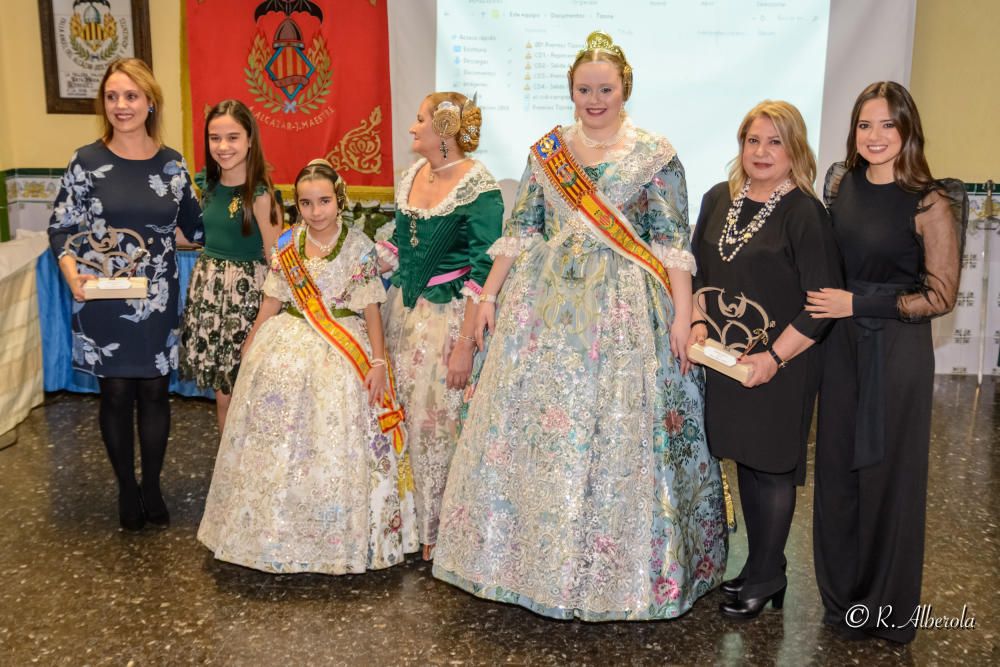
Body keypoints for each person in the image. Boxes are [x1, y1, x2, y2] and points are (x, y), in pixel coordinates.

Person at [431, 31, 727, 621]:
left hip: (624, 312)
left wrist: (684, 312)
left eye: (606, 89)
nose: (595, 99)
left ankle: (618, 570)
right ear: (570, 90)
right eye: (584, 89)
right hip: (544, 309)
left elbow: (672, 244)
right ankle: (519, 561)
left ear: (625, 90)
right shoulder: (549, 152)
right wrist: (488, 297)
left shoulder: (655, 153)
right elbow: (522, 229)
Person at [197, 159, 418, 574]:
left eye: (324, 201)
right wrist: (250, 343)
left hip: (343, 345)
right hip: (288, 340)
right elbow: (272, 301)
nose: (316, 211)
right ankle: (269, 533)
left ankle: (339, 536)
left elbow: (371, 307)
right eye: (306, 203)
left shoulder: (357, 246)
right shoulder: (287, 245)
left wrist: (377, 360)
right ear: (297, 205)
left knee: (336, 436)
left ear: (339, 200)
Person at [807, 81, 965, 643]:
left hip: (896, 352)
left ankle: (888, 612)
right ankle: (844, 602)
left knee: (888, 478)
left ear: (907, 131)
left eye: (887, 126)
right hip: (841, 350)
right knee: (838, 475)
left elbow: (941, 295)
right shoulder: (839, 183)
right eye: (865, 125)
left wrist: (860, 303)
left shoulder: (930, 200)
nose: (874, 136)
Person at [689, 100, 842, 619]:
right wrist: (694, 325)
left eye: (774, 141)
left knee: (773, 467)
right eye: (753, 140)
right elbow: (694, 272)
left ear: (795, 148)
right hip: (726, 361)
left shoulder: (804, 212)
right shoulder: (717, 199)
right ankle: (758, 568)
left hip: (785, 362)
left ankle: (769, 572)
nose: (761, 151)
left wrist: (773, 358)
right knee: (745, 461)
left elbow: (822, 305)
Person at [47, 58, 204, 531]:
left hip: (155, 296)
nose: (121, 105)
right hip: (101, 296)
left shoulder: (173, 164)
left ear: (150, 101)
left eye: (131, 96)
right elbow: (61, 227)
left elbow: (193, 229)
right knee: (114, 392)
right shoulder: (86, 161)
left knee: (155, 391)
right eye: (113, 97)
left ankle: (151, 484)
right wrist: (74, 277)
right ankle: (125, 488)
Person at [377, 91, 503, 561]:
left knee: (440, 427)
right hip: (403, 318)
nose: (413, 128)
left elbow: (482, 272)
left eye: (420, 119)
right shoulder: (414, 175)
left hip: (450, 321)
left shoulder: (480, 187)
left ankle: (439, 532)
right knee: (405, 420)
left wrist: (466, 345)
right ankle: (407, 523)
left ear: (445, 128)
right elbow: (401, 247)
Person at [180, 99, 281, 432]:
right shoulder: (206, 187)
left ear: (250, 139)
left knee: (247, 397)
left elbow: (279, 270)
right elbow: (196, 235)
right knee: (223, 397)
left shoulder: (262, 195)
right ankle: (228, 477)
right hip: (212, 304)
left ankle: (251, 474)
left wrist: (258, 331)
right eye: (214, 138)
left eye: (233, 137)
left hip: (247, 307)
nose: (222, 147)